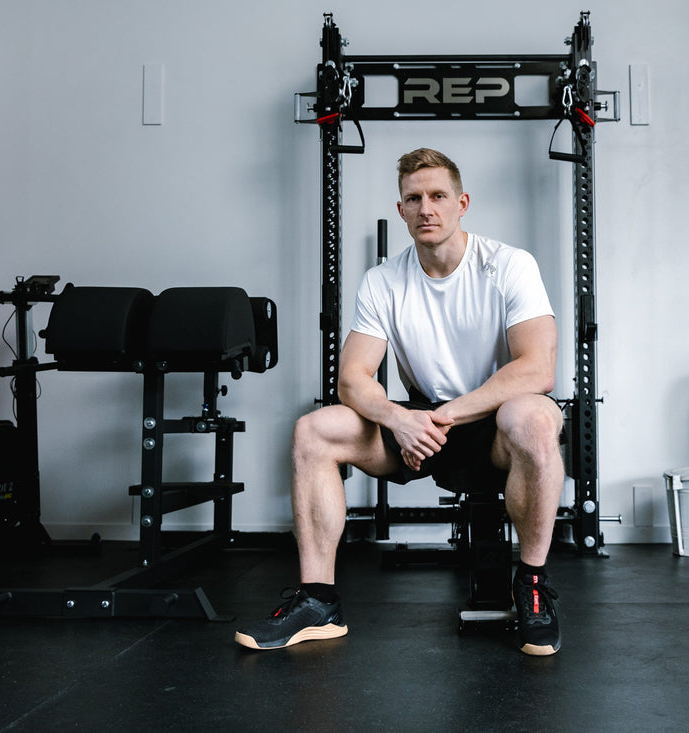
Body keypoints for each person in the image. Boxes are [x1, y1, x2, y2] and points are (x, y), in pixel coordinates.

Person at [234, 148, 565, 656]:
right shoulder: (384, 280)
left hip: (490, 422)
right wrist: (399, 418)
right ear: (402, 208)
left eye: (437, 196)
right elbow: (352, 378)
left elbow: (537, 369)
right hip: (417, 422)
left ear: (462, 203)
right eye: (415, 198)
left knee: (535, 417)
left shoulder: (509, 265)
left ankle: (534, 585)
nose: (426, 208)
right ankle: (318, 602)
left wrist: (441, 418)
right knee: (314, 430)